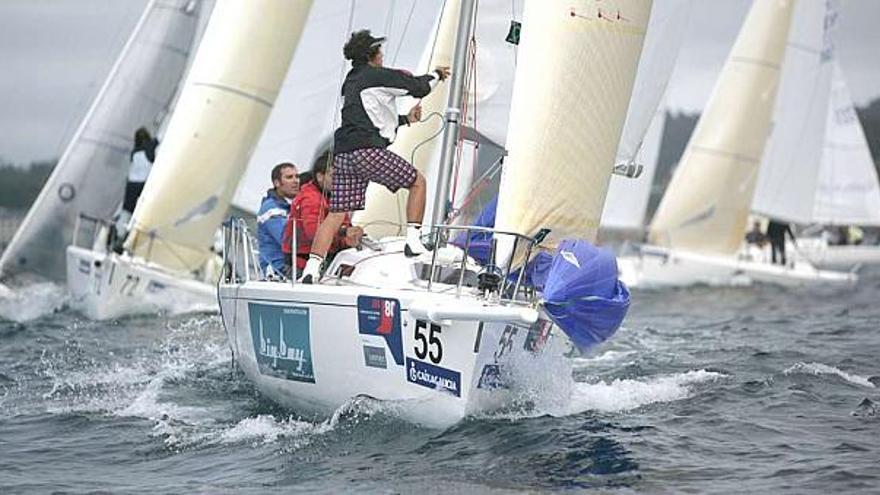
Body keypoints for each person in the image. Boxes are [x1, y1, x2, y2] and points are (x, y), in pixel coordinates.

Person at [300, 30, 450, 283]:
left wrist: (404, 120)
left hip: (344, 155)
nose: (382, 54)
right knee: (417, 182)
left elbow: (368, 118)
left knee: (336, 214)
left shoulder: (351, 80)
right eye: (379, 51)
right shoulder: (376, 75)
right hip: (367, 153)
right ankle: (413, 242)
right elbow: (418, 87)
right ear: (372, 55)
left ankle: (311, 270)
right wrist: (437, 75)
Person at [282, 152, 364, 276]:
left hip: (328, 260)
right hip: (302, 266)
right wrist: (344, 232)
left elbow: (344, 226)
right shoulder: (310, 198)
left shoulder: (335, 198)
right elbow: (314, 233)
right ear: (320, 176)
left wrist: (351, 237)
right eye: (334, 176)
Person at [257, 162, 299, 277]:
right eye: (289, 177)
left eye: (297, 176)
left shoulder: (292, 205)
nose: (296, 181)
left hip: (292, 267)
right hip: (278, 270)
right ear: (277, 183)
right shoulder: (271, 209)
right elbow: (287, 240)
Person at [123, 127, 159, 215]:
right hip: (144, 182)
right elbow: (158, 140)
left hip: (131, 183)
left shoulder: (134, 152)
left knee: (128, 209)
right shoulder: (150, 145)